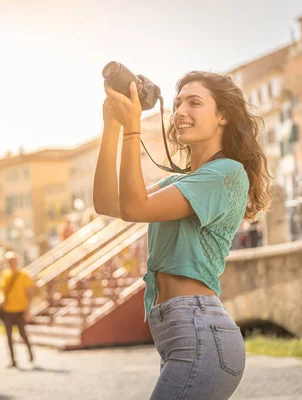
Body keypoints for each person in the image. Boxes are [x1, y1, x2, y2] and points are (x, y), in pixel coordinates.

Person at [94, 71, 271, 399]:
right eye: (176, 104)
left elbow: (134, 207)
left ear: (223, 116)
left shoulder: (226, 172)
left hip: (201, 333)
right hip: (184, 335)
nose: (180, 112)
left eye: (195, 102)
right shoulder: (183, 182)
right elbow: (108, 203)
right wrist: (113, 126)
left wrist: (133, 128)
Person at [0, 251, 35, 368]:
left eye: (12, 261)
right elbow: (0, 290)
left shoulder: (24, 275)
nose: (10, 263)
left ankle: (29, 351)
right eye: (8, 261)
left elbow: (29, 294)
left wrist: (28, 310)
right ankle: (12, 360)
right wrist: (0, 299)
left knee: (22, 333)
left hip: (20, 309)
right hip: (7, 310)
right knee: (8, 336)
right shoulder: (4, 274)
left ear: (17, 262)